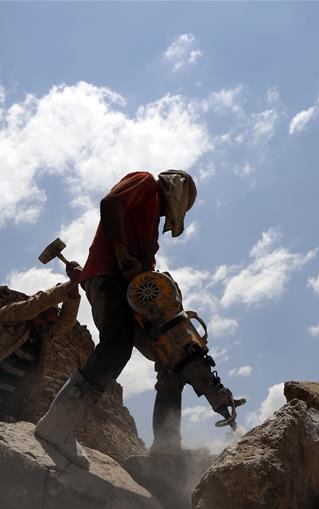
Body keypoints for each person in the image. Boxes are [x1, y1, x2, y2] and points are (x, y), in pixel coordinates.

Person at [35, 170, 197, 468]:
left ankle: (167, 448)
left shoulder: (151, 228)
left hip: (131, 294)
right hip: (109, 279)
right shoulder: (146, 183)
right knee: (116, 346)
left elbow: (146, 273)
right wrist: (121, 255)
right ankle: (57, 424)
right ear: (178, 191)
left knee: (173, 360)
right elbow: (111, 204)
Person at [0, 260, 83, 421]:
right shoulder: (9, 319)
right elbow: (36, 304)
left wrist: (74, 288)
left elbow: (66, 322)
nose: (46, 325)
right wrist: (70, 284)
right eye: (44, 319)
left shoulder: (43, 335)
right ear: (37, 313)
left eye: (49, 322)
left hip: (7, 399)